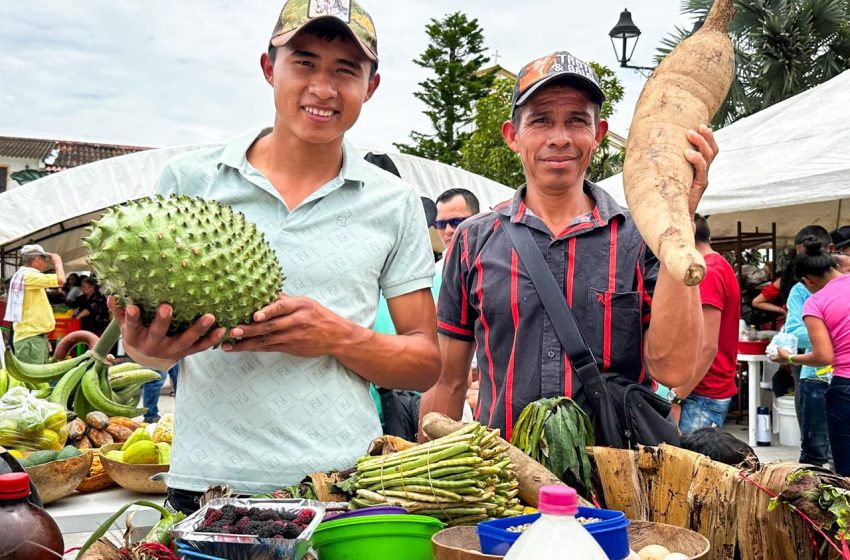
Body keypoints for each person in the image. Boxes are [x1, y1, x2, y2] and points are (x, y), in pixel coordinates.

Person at [107, 0, 440, 514]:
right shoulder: (191, 181)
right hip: (207, 483)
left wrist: (337, 335)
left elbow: (423, 363)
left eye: (345, 71)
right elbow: (150, 354)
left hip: (340, 483)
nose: (323, 88)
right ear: (269, 68)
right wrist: (149, 348)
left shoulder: (394, 203)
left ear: (370, 87)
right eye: (304, 62)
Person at [419, 50, 717, 441]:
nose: (559, 138)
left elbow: (673, 369)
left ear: (598, 133)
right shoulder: (474, 240)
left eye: (576, 120)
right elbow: (448, 381)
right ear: (513, 135)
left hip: (615, 483)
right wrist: (422, 475)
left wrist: (679, 215)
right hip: (506, 482)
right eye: (541, 120)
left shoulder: (640, 238)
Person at [776, 239, 850, 475]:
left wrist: (789, 359)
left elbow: (824, 355)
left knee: (845, 473)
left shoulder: (815, 303)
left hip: (845, 387)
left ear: (807, 281)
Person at [669, 215, 741, 433]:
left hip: (700, 393)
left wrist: (677, 399)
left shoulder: (707, 272)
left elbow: (707, 346)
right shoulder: (718, 264)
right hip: (702, 390)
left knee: (689, 465)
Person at [782, 225, 835, 464]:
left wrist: (820, 333)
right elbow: (795, 333)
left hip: (839, 377)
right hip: (815, 377)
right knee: (815, 452)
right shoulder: (801, 289)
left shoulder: (841, 285)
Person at [3, 245, 65, 364]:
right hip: (30, 339)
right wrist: (58, 262)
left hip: (33, 337)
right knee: (33, 381)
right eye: (43, 262)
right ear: (36, 261)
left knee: (39, 379)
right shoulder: (29, 276)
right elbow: (61, 280)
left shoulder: (25, 276)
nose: (45, 265)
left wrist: (43, 339)